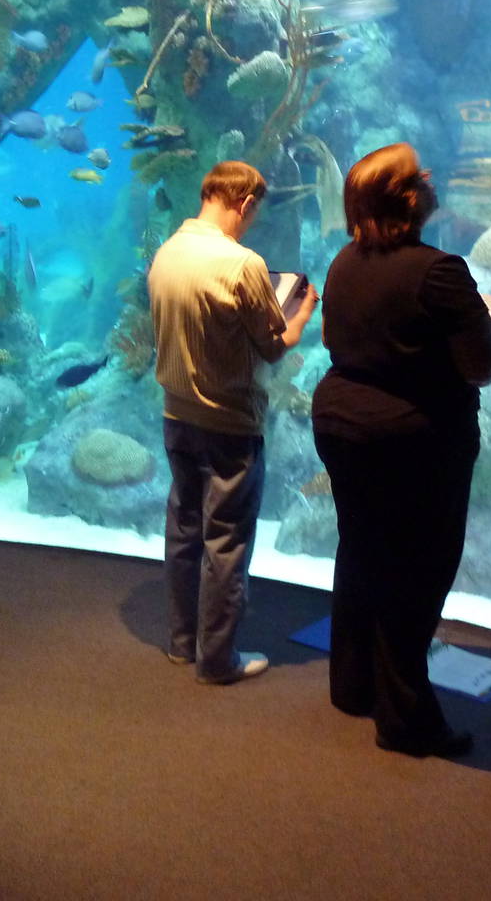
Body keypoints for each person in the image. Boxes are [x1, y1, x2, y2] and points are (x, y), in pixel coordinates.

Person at [311, 142, 491, 757]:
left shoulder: (345, 261)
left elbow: (345, 337)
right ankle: (406, 721)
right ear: (405, 197)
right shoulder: (439, 270)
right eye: (417, 173)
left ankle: (353, 686)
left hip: (343, 425)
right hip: (416, 440)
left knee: (363, 552)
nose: (428, 176)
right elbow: (480, 365)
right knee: (418, 574)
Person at [147, 160, 318, 684]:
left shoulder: (166, 253)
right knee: (225, 542)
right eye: (253, 214)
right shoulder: (241, 263)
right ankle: (218, 659)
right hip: (230, 424)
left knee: (185, 529)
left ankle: (181, 642)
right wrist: (302, 314)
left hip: (177, 416)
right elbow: (271, 346)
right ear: (244, 204)